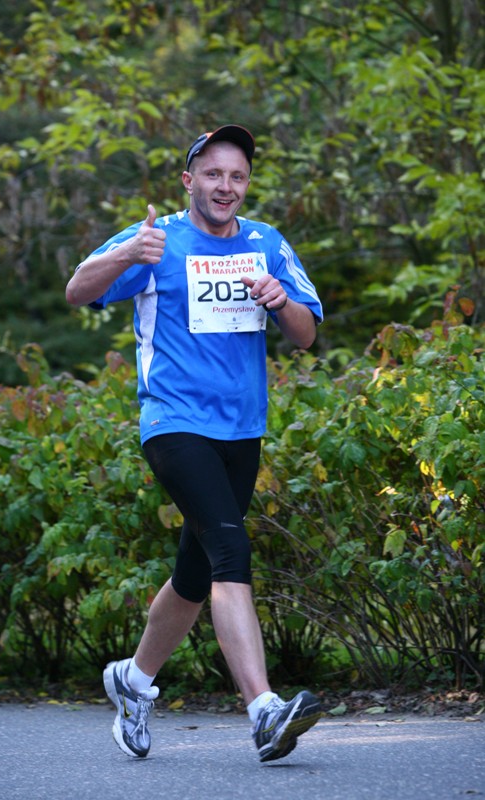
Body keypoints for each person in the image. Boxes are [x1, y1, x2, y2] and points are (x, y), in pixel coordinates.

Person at [65, 124, 324, 763]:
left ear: (247, 184)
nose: (225, 186)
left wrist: (280, 300)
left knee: (195, 571)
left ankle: (134, 680)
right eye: (213, 174)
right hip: (174, 422)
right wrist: (128, 254)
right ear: (189, 181)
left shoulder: (266, 244)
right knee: (230, 550)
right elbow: (77, 290)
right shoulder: (156, 240)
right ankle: (264, 711)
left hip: (242, 428)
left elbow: (306, 335)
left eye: (237, 176)